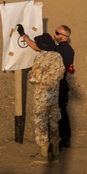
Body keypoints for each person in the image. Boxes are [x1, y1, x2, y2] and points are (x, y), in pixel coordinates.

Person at [23, 23, 76, 147]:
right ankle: (65, 138)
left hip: (54, 86)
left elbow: (37, 47)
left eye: (57, 33)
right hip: (61, 84)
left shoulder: (57, 50)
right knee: (61, 111)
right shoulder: (69, 50)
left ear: (64, 36)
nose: (54, 34)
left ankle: (49, 144)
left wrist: (24, 37)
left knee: (49, 115)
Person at [28, 33, 65, 162]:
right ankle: (55, 150)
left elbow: (34, 79)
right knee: (54, 121)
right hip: (54, 96)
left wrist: (30, 74)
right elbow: (61, 74)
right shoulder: (58, 56)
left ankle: (43, 153)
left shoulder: (39, 58)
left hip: (41, 97)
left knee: (41, 123)